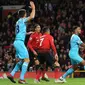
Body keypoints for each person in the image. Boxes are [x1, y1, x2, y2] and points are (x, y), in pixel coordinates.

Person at [7, 1, 35, 84]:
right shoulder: (23, 20)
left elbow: (18, 33)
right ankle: (21, 79)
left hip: (17, 42)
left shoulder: (18, 22)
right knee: (27, 60)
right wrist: (33, 8)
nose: (26, 14)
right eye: (26, 13)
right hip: (19, 42)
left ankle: (11, 74)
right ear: (24, 15)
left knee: (22, 61)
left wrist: (27, 33)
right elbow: (32, 17)